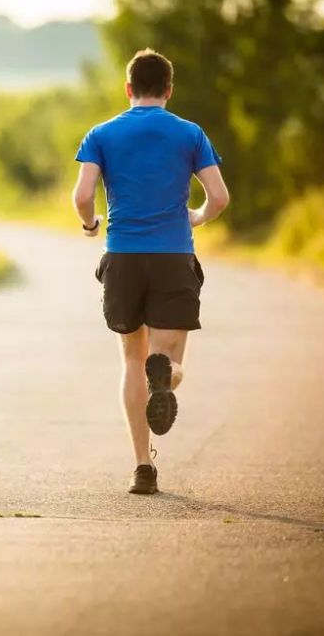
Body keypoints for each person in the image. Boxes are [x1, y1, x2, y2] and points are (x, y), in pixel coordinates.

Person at [72, 48, 230, 495]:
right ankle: (168, 377)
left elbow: (83, 194)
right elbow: (218, 197)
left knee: (130, 360)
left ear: (128, 89)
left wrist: (90, 225)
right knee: (169, 361)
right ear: (169, 90)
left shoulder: (101, 133)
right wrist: (197, 217)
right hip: (172, 256)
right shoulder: (189, 133)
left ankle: (143, 467)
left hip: (123, 256)